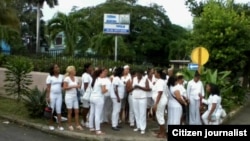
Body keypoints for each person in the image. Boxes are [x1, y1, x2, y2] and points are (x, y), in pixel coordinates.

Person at [88, 67, 108, 135]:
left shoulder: (94, 79)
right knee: (97, 114)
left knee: (92, 113)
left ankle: (91, 127)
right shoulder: (102, 81)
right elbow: (103, 91)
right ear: (100, 73)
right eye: (103, 72)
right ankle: (98, 130)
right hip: (99, 98)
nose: (105, 74)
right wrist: (107, 89)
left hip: (92, 97)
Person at [63, 66, 83, 131]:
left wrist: (78, 86)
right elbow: (64, 88)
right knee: (70, 112)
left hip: (75, 96)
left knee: (77, 111)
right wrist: (73, 86)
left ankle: (77, 125)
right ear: (71, 71)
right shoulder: (67, 79)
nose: (75, 71)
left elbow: (78, 86)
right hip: (69, 96)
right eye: (74, 70)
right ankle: (70, 125)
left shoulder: (76, 78)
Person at [132, 69, 151, 134]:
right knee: (136, 112)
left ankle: (143, 128)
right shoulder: (134, 79)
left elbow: (148, 89)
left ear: (141, 74)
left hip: (142, 98)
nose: (137, 75)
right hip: (135, 97)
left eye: (139, 74)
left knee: (142, 113)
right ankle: (138, 126)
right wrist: (134, 87)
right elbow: (132, 87)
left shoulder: (145, 79)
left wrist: (139, 87)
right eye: (137, 74)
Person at [46, 64, 64, 131]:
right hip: (52, 95)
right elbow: (48, 87)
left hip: (59, 95)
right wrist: (48, 96)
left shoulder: (61, 76)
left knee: (59, 110)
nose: (58, 68)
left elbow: (62, 85)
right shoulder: (49, 77)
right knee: (52, 110)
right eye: (56, 67)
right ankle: (50, 124)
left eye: (58, 67)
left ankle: (59, 125)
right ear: (53, 69)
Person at [152, 69, 168, 138]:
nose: (154, 74)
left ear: (158, 74)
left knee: (160, 116)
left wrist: (156, 103)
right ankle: (161, 131)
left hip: (160, 101)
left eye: (155, 72)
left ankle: (163, 133)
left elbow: (160, 92)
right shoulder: (159, 81)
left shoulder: (160, 82)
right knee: (159, 116)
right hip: (160, 100)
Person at [110, 67, 125, 131]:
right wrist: (118, 97)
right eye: (123, 71)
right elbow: (115, 88)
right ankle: (114, 125)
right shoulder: (116, 79)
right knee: (116, 111)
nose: (124, 72)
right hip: (116, 97)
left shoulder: (119, 78)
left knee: (117, 110)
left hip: (118, 97)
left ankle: (116, 124)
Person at [80, 63, 93, 128]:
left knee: (88, 108)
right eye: (90, 67)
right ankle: (84, 121)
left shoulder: (89, 75)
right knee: (86, 108)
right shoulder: (85, 75)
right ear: (86, 68)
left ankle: (86, 120)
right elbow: (85, 86)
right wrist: (86, 95)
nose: (91, 68)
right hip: (86, 94)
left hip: (89, 93)